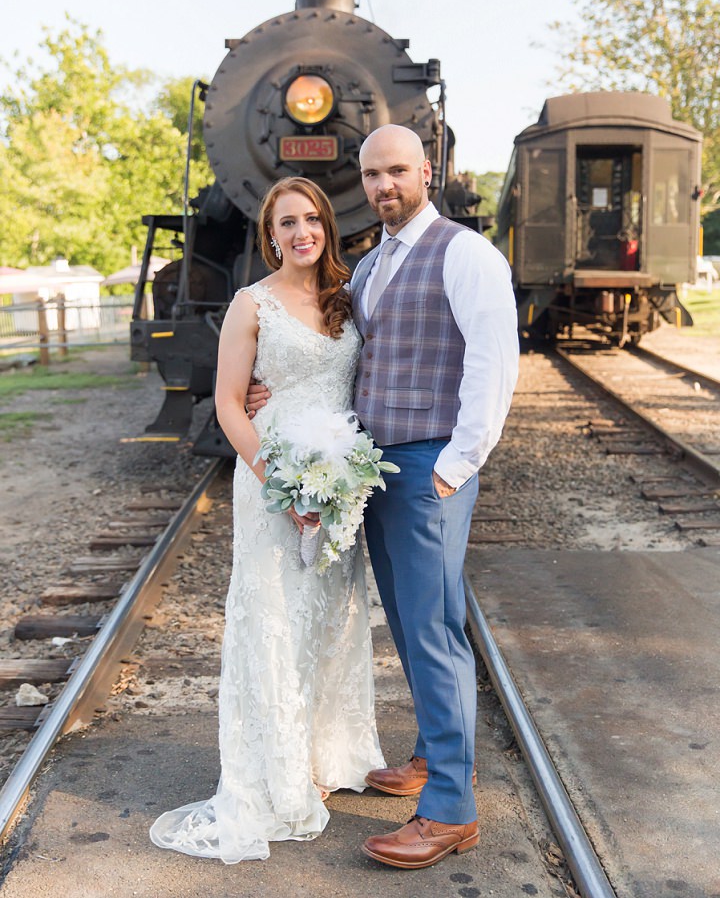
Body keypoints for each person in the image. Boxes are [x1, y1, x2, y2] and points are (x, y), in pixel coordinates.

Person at [248, 125, 519, 870]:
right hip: (376, 468)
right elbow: (341, 350)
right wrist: (265, 384)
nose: (383, 185)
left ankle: (451, 812)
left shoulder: (465, 253)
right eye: (371, 174)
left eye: (397, 170)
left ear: (426, 172)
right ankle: (435, 754)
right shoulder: (369, 265)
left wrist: (455, 467)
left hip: (429, 463)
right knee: (405, 620)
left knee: (434, 629)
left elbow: (495, 364)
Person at [149, 176, 384, 864]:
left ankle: (327, 754)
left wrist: (336, 482)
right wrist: (279, 484)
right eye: (287, 223)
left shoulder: (347, 298)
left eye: (312, 219)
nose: (302, 232)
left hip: (337, 478)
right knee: (277, 615)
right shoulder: (250, 305)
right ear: (270, 235)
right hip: (275, 477)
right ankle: (276, 775)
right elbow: (228, 404)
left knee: (332, 615)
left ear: (327, 227)